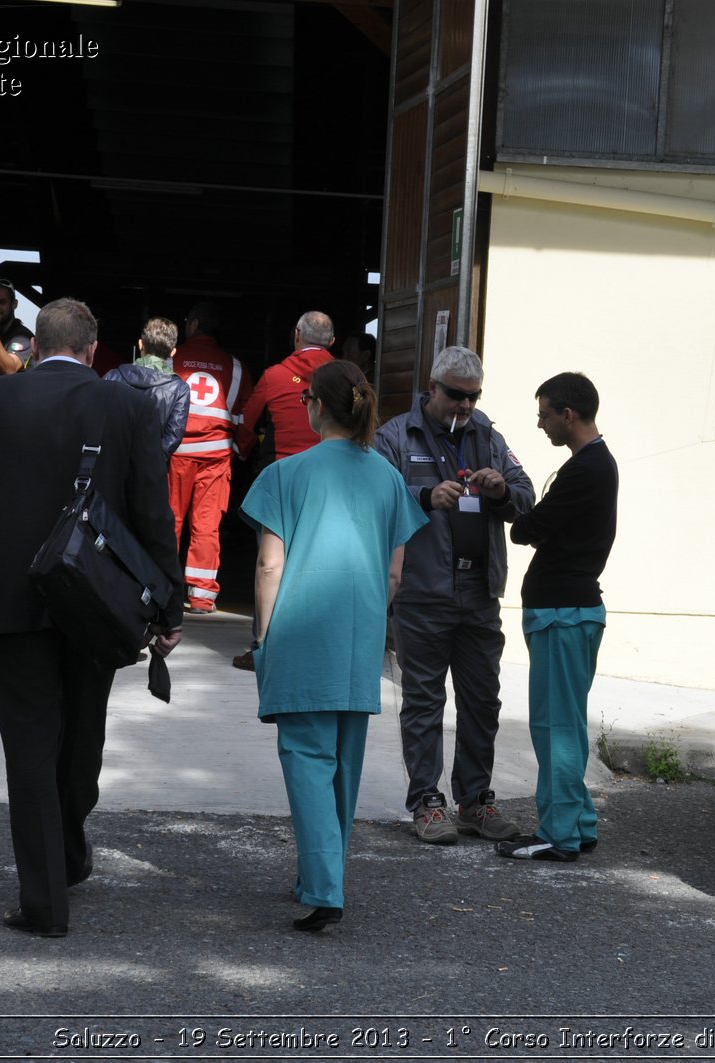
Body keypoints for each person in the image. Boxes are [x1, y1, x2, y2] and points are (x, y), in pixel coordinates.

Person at [0, 298, 184, 937]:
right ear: (90, 348)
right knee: (82, 736)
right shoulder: (128, 406)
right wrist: (168, 603)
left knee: (28, 748)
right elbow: (151, 512)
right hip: (97, 600)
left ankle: (46, 899)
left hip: (11, 598)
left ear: (36, 344)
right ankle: (71, 845)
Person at [240, 359, 426, 932]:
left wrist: (261, 635)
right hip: (358, 638)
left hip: (300, 634)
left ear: (314, 406)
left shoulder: (285, 475)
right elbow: (395, 574)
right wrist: (372, 615)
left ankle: (324, 889)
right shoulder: (388, 477)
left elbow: (271, 565)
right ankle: (323, 876)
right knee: (344, 766)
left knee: (306, 761)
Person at [373, 345, 534, 844]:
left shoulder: (489, 436)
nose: (464, 406)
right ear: (432, 387)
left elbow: (526, 498)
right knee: (424, 702)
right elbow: (373, 499)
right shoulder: (396, 436)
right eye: (456, 396)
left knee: (483, 701)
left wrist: (500, 491)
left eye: (473, 397)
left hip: (479, 593)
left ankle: (475, 801)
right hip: (422, 594)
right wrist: (423, 496)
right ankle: (427, 801)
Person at [497, 372, 618, 863]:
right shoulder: (591, 464)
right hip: (570, 611)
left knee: (554, 727)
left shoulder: (585, 469)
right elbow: (543, 526)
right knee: (564, 723)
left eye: (545, 413)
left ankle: (559, 834)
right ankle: (578, 822)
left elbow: (530, 527)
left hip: (562, 615)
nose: (541, 423)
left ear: (569, 414)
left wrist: (503, 502)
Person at [170, 301, 250, 615]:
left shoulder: (173, 359)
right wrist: (241, 448)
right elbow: (244, 416)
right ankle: (202, 597)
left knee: (170, 521)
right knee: (207, 525)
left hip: (176, 454)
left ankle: (162, 591)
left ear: (193, 325)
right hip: (216, 457)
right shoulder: (237, 367)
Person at [234, 311, 337, 465]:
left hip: (282, 469)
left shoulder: (273, 376)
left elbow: (249, 422)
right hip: (330, 468)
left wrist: (241, 452)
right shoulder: (347, 377)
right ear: (332, 341)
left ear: (297, 334)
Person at [104, 316, 191, 463]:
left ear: (140, 344)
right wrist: (151, 466)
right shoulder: (180, 389)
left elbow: (97, 421)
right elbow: (173, 437)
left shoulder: (112, 376)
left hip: (110, 464)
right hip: (150, 472)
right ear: (172, 353)